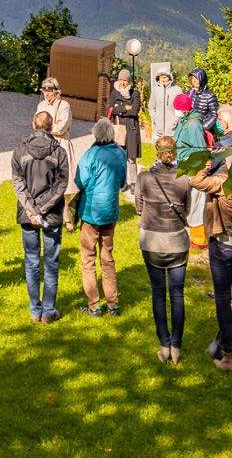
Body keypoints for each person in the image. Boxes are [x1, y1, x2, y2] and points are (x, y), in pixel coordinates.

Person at [191, 104, 232, 372]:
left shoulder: (223, 183)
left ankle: (229, 354)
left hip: (223, 244)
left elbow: (196, 181)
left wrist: (208, 162)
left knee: (222, 298)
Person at [136, 133, 194, 364]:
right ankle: (176, 346)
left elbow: (139, 208)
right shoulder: (184, 178)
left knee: (158, 293)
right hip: (176, 241)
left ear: (157, 153)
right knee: (177, 294)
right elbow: (187, 209)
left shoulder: (144, 178)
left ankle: (164, 343)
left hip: (152, 241)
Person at [11, 111, 70, 324]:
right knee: (51, 263)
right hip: (50, 213)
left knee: (32, 262)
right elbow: (61, 185)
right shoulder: (59, 153)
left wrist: (31, 209)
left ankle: (36, 310)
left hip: (29, 214)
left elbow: (18, 182)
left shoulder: (20, 150)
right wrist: (41, 209)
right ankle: (48, 310)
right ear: (51, 125)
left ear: (33, 124)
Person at [74, 118, 128, 316]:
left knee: (88, 259)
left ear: (95, 135)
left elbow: (80, 181)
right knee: (108, 258)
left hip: (91, 212)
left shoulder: (91, 154)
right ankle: (113, 303)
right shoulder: (120, 154)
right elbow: (122, 182)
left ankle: (94, 305)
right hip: (110, 211)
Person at [108, 67, 142, 177]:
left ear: (129, 81)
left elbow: (135, 111)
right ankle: (122, 182)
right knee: (120, 157)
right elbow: (111, 110)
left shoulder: (135, 93)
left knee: (131, 158)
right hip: (119, 128)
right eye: (121, 80)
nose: (123, 83)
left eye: (125, 80)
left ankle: (133, 182)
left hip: (132, 128)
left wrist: (120, 108)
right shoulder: (114, 93)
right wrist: (125, 107)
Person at [35, 77, 73, 141]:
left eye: (50, 90)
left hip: (59, 142)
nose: (47, 94)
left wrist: (44, 127)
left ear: (56, 91)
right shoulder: (41, 105)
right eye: (44, 90)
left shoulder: (64, 106)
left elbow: (61, 128)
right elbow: (36, 123)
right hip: (42, 141)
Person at [145, 61, 176, 141]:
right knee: (159, 152)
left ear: (170, 77)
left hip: (172, 130)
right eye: (161, 77)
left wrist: (175, 121)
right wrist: (155, 119)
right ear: (158, 78)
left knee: (172, 151)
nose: (163, 79)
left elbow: (180, 108)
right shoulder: (155, 90)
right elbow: (151, 107)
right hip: (158, 130)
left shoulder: (177, 89)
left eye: (165, 77)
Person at [186, 68, 219, 134]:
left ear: (202, 78)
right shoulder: (190, 92)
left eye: (196, 78)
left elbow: (214, 115)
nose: (194, 81)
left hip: (204, 132)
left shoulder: (210, 95)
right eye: (192, 78)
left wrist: (202, 128)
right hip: (190, 128)